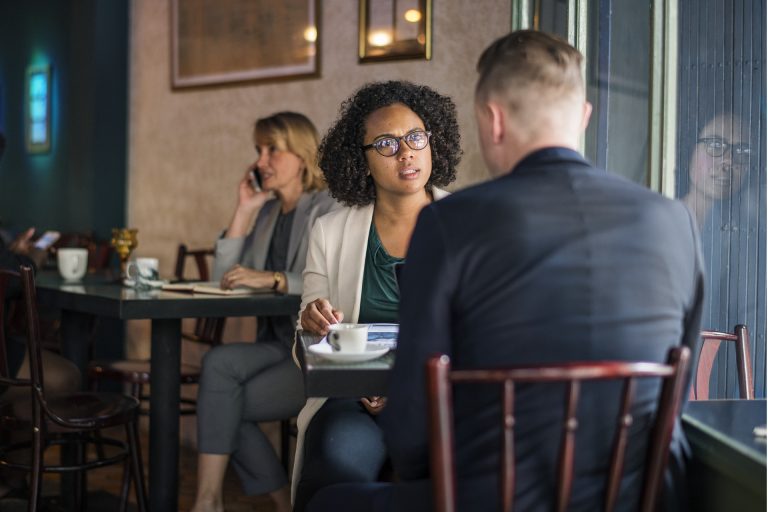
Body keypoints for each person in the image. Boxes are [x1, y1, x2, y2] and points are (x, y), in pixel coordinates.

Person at [307, 30, 704, 512]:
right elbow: (678, 393)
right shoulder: (672, 219)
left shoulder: (450, 223)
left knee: (326, 502)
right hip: (637, 496)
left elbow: (414, 422)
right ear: (583, 116)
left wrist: (418, 469)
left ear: (492, 120)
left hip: (494, 495)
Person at [293, 80, 461, 511]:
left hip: (443, 399)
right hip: (355, 398)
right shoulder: (330, 231)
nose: (405, 152)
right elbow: (307, 343)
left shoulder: (468, 224)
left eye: (415, 137)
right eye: (386, 143)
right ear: (362, 160)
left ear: (432, 143)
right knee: (333, 469)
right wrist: (312, 321)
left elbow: (483, 334)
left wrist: (410, 388)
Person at [192, 112, 338, 512]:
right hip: (274, 344)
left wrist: (273, 279)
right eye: (259, 150)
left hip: (313, 350)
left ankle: (221, 502)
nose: (261, 160)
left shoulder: (328, 207)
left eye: (273, 149)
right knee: (217, 363)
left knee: (224, 403)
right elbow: (224, 281)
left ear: (302, 154)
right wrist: (244, 209)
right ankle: (214, 501)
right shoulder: (269, 212)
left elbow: (331, 282)